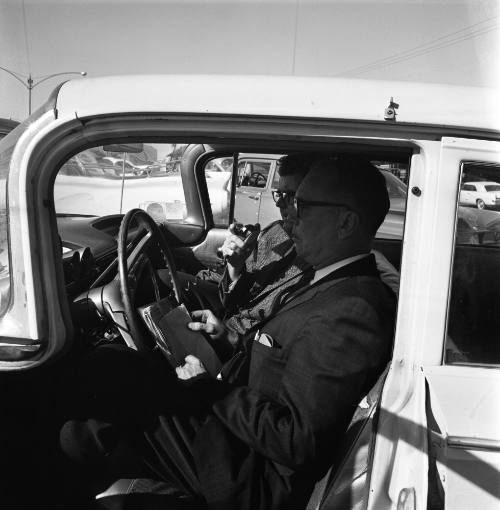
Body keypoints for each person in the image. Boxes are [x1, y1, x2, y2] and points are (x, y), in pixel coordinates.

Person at [61, 154, 397, 510]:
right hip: (234, 419)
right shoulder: (329, 280)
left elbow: (299, 441)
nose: (290, 216)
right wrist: (225, 349)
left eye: (304, 206)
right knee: (114, 366)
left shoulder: (353, 309)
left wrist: (209, 389)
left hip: (247, 471)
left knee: (98, 401)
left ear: (345, 223)